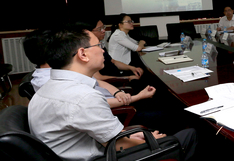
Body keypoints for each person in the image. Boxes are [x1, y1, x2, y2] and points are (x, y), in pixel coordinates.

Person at [27, 24, 234, 161]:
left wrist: (140, 136)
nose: (103, 50)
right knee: (188, 137)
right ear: (82, 54)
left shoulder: (50, 88)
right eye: (98, 46)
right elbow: (120, 145)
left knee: (168, 135)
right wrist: (149, 139)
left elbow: (109, 137)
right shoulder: (81, 97)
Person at [22, 28, 154, 109]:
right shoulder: (51, 82)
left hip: (116, 103)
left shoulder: (59, 72)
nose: (102, 50)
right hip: (117, 110)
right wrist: (136, 97)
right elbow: (93, 105)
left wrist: (117, 93)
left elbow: (97, 82)